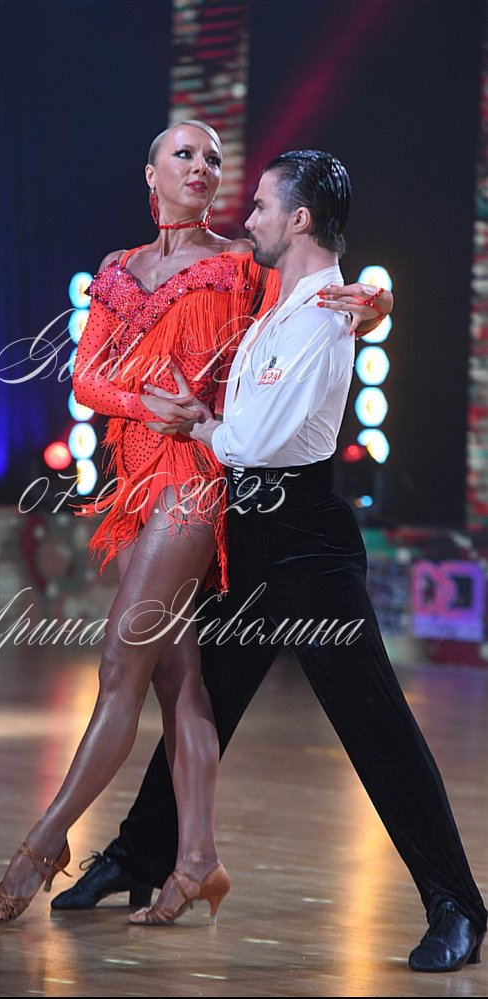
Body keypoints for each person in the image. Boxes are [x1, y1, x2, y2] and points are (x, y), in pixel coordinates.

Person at [52, 149, 487, 971]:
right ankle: (139, 854)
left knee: (376, 726)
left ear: (299, 219)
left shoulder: (323, 313)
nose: (246, 216)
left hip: (305, 544)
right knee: (198, 705)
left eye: (260, 205)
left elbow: (250, 439)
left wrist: (194, 422)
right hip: (247, 536)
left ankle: (456, 904)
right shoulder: (279, 296)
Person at [0, 122, 391, 926]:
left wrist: (379, 304)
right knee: (180, 681)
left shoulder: (241, 264)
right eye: (185, 154)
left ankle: (42, 842)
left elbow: (320, 293)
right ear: (152, 174)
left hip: (195, 482)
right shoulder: (116, 268)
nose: (203, 166)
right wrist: (148, 405)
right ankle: (198, 857)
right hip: (134, 485)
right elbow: (88, 379)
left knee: (118, 664)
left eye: (213, 158)